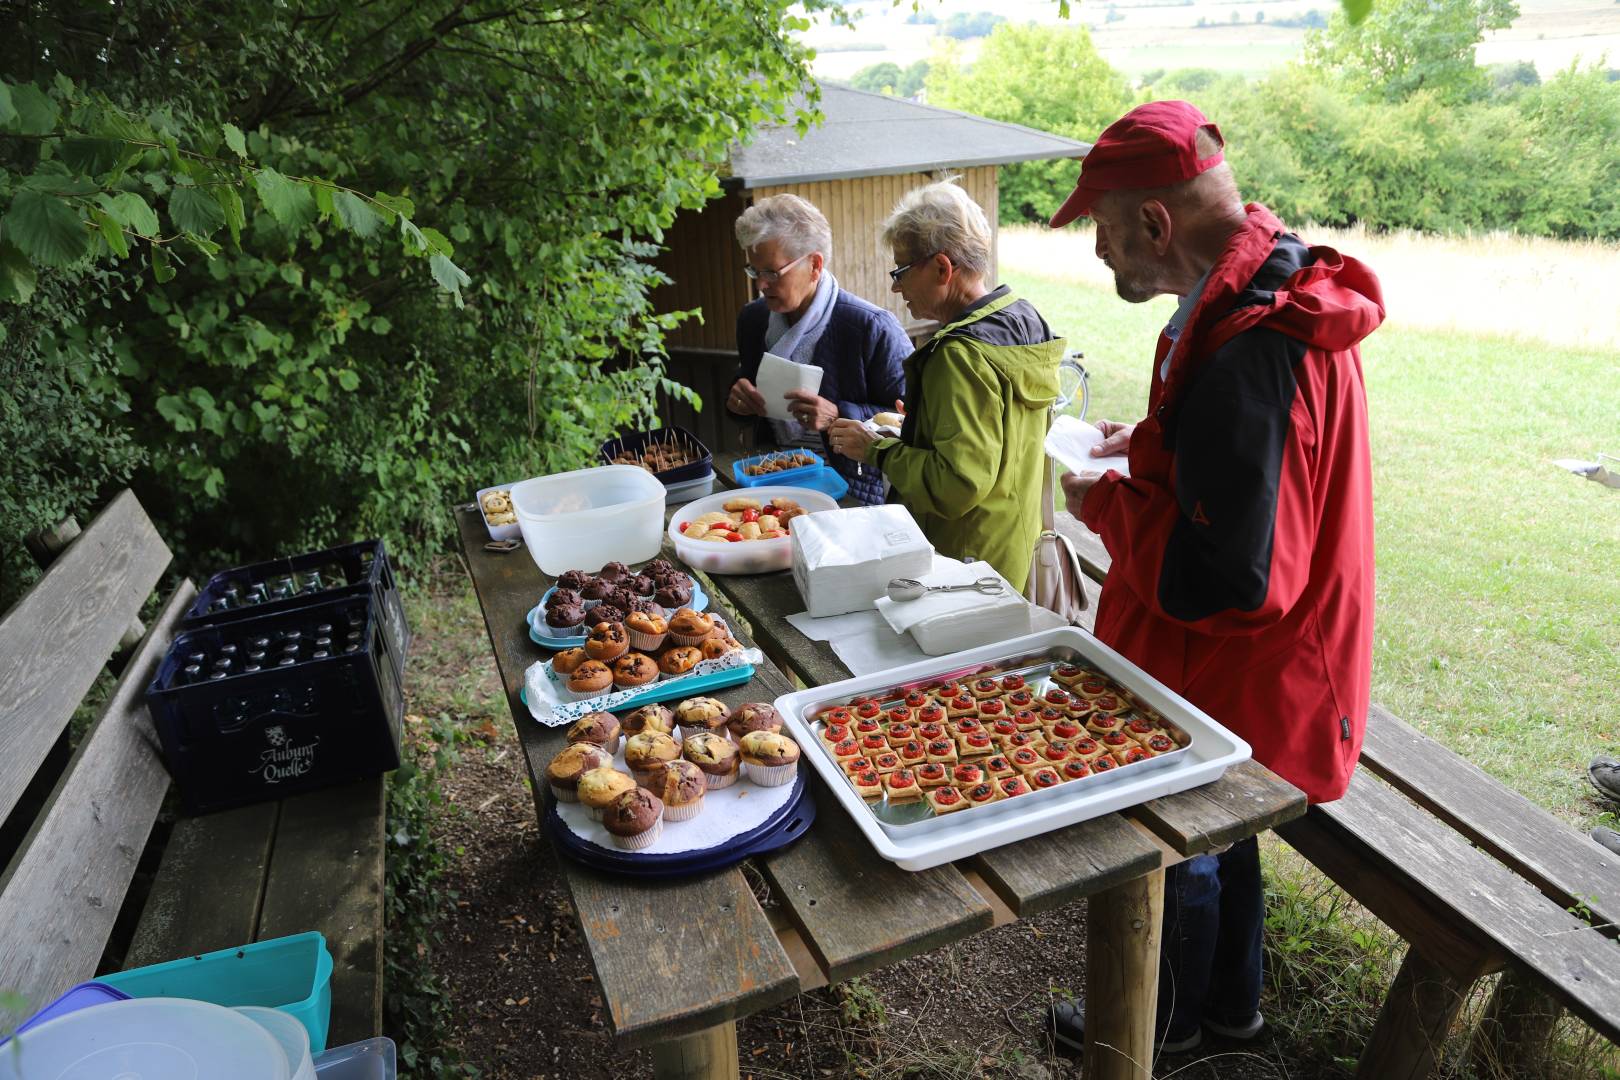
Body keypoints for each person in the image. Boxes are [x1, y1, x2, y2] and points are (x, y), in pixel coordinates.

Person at [1046, 101, 1384, 1054]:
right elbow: (1249, 473)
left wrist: (1108, 507)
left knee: (1186, 835)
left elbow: (1233, 581)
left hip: (1256, 668)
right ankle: (1233, 1008)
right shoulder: (1264, 292)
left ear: (1157, 224)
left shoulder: (1254, 351)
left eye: (1107, 234)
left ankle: (1160, 1030)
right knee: (1229, 838)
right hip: (1282, 667)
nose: (1101, 257)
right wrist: (1152, 444)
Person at [825, 181, 1063, 586]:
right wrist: (921, 427)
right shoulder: (1025, 320)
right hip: (1009, 549)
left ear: (941, 267)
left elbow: (959, 484)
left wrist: (877, 450)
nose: (895, 286)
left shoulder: (959, 355)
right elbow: (1000, 447)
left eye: (900, 270)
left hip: (961, 568)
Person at [726, 194, 911, 505]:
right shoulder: (753, 319)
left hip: (850, 495)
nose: (761, 284)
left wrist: (839, 415)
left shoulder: (872, 327)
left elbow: (907, 420)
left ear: (814, 265)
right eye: (754, 271)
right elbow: (748, 395)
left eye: (772, 272)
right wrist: (737, 402)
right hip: (771, 482)